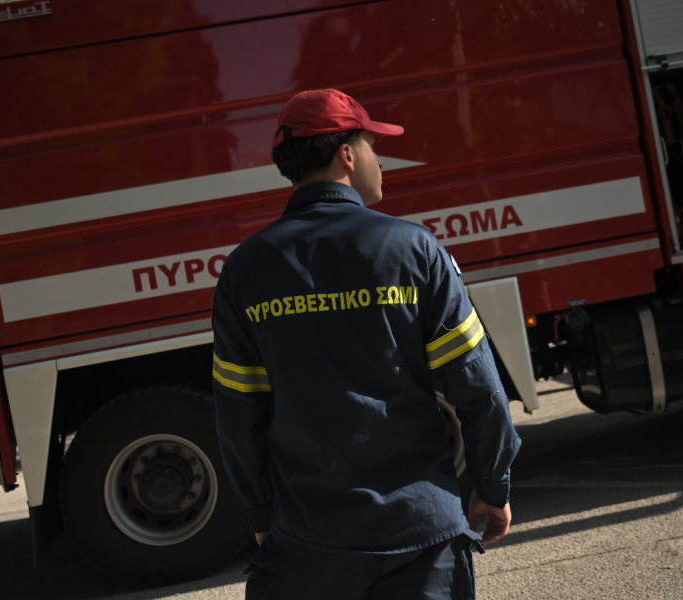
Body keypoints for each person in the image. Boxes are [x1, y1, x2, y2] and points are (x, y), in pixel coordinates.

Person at [212, 89, 520, 599]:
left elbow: (239, 411)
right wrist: (492, 484)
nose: (381, 161)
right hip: (421, 532)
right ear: (347, 156)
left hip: (310, 539)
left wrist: (261, 513)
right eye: (373, 146)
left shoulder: (244, 269)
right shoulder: (414, 249)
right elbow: (476, 383)